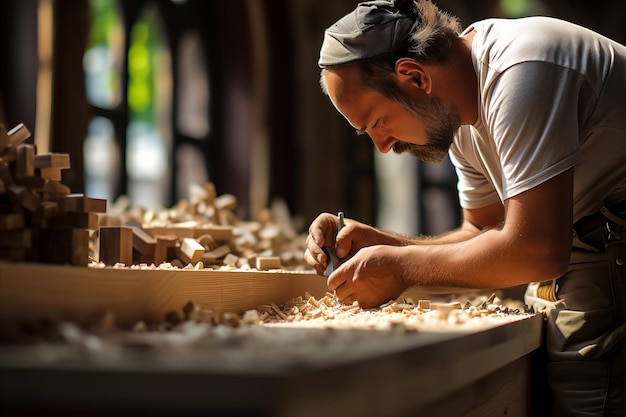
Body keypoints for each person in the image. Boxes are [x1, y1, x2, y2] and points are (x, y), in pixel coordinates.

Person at [304, 0, 626, 415]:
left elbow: (537, 251)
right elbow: (484, 232)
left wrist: (403, 269)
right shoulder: (461, 111)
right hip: (589, 246)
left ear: (414, 76)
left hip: (610, 247)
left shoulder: (521, 71)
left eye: (377, 122)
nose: (382, 146)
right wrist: (384, 248)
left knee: (584, 392)